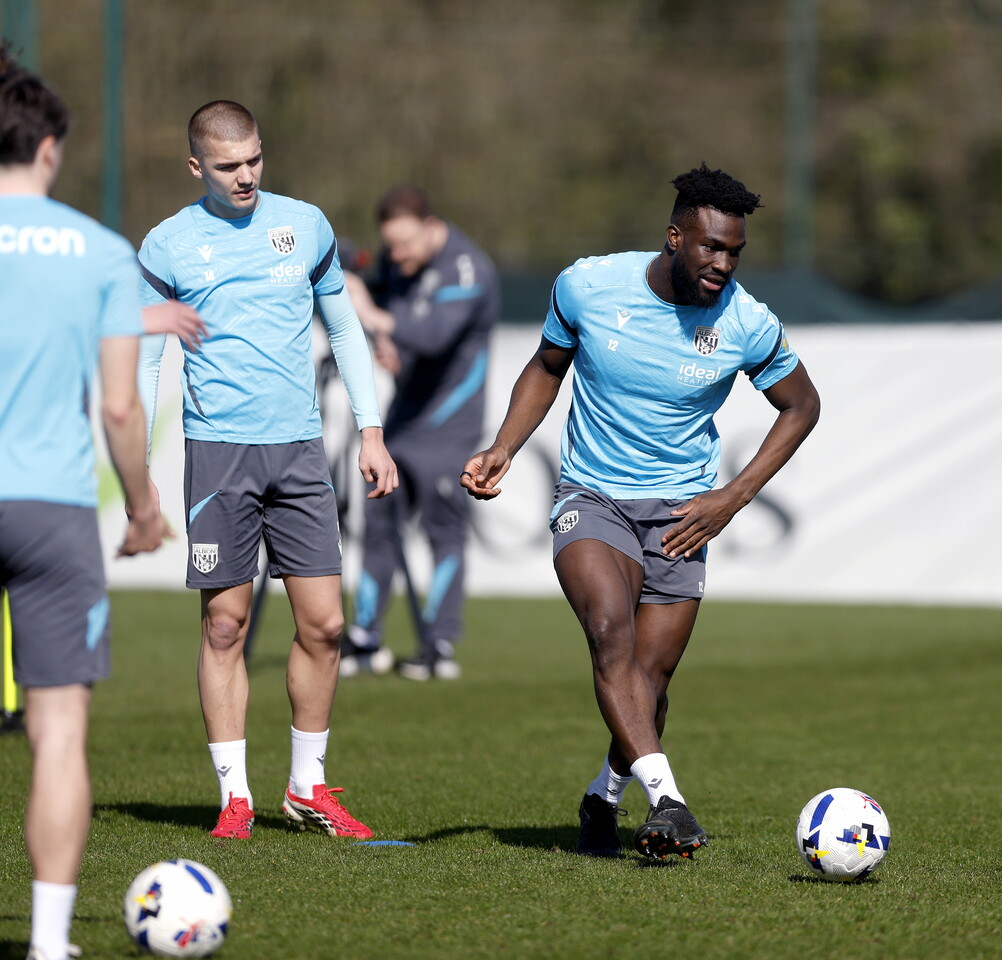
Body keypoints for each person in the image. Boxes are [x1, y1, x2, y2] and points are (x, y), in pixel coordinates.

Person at [461, 164, 821, 859]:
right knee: (609, 635)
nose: (722, 263)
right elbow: (546, 364)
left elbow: (802, 406)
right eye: (710, 247)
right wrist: (506, 444)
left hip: (683, 515)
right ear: (675, 236)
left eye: (734, 252)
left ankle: (603, 797)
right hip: (591, 497)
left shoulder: (745, 322)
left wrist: (730, 498)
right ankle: (671, 802)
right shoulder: (589, 285)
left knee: (650, 683)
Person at [137, 100, 398, 841]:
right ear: (197, 168)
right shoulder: (168, 245)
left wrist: (372, 432)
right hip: (219, 456)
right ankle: (235, 797)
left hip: (301, 452)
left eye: (254, 159)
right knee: (226, 624)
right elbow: (147, 358)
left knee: (326, 623)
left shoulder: (306, 225)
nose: (246, 175)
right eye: (228, 166)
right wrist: (142, 470)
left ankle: (308, 787)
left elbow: (342, 325)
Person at [0, 46, 170, 960]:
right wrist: (143, 506)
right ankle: (50, 944)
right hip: (52, 509)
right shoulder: (102, 253)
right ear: (53, 148)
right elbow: (118, 404)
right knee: (57, 732)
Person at [340, 185, 498, 681]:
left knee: (443, 531)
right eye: (392, 246)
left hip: (451, 428)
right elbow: (368, 285)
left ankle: (438, 643)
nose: (398, 255)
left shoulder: (467, 267)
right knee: (380, 525)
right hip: (403, 420)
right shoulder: (396, 262)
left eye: (406, 243)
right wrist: (383, 337)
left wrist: (370, 314)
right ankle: (364, 637)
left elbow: (432, 334)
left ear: (432, 227)